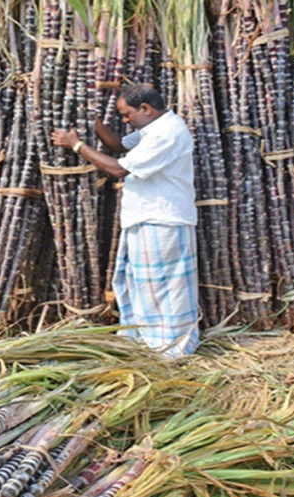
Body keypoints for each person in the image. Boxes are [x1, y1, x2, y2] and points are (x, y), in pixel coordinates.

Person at [51, 84, 199, 357]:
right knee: (142, 285)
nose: (124, 120)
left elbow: (118, 168)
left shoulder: (167, 133)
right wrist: (93, 123)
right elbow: (118, 145)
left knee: (164, 288)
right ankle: (147, 342)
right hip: (147, 218)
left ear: (146, 108)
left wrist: (76, 145)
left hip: (162, 220)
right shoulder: (153, 129)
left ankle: (171, 348)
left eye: (127, 114)